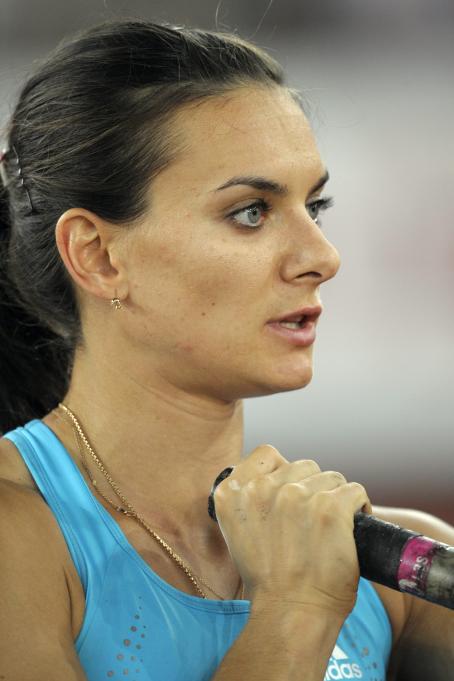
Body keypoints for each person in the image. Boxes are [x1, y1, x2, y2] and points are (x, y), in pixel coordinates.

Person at [0, 18, 453, 681]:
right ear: (98, 256)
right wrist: (296, 606)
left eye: (314, 206)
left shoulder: (397, 567)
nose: (321, 257)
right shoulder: (19, 542)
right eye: (251, 212)